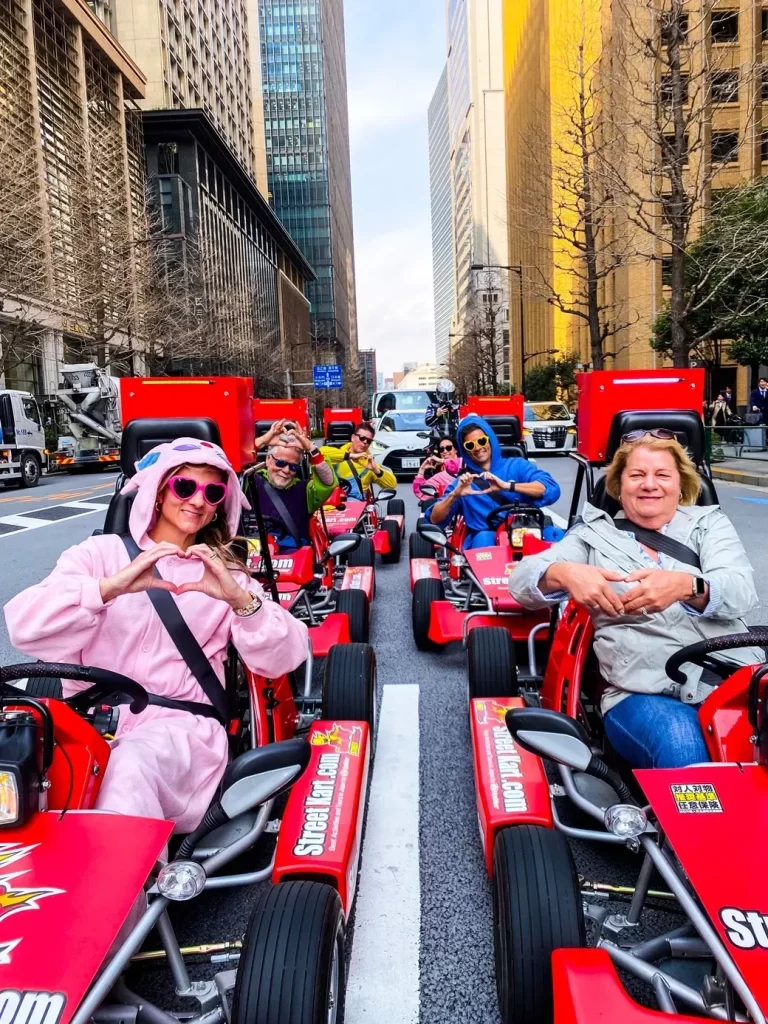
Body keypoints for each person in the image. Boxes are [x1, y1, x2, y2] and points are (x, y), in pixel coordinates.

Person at [3, 437, 309, 831]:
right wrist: (107, 589)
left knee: (129, 767)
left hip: (180, 730)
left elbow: (284, 658)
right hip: (85, 724)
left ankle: (122, 869)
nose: (197, 501)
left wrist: (241, 601)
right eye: (185, 486)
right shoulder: (99, 555)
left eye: (212, 492)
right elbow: (24, 628)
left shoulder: (225, 576)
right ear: (159, 492)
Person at [508, 431, 762, 769]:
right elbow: (520, 582)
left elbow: (741, 590)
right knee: (682, 743)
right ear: (619, 485)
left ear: (681, 485)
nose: (650, 484)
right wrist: (564, 572)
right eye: (637, 475)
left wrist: (688, 586)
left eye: (662, 475)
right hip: (644, 693)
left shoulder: (708, 524)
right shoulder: (592, 536)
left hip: (734, 677)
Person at [426, 414, 561, 548]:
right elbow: (434, 519)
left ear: (490, 440)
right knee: (484, 539)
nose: (477, 448)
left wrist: (507, 486)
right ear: (465, 450)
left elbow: (550, 488)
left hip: (525, 530)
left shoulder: (518, 466)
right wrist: (454, 495)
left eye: (481, 441)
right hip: (485, 540)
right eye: (470, 445)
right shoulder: (463, 483)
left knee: (556, 536)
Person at [252, 419, 335, 550]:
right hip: (252, 553)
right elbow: (227, 465)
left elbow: (328, 482)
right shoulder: (250, 481)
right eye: (280, 463)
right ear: (268, 459)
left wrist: (311, 448)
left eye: (293, 467)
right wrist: (262, 441)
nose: (286, 470)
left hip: (296, 557)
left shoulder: (305, 490)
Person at [321, 421, 397, 499]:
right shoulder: (336, 455)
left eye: (368, 441)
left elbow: (391, 485)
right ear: (353, 438)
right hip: (331, 502)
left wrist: (376, 470)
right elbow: (319, 452)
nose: (365, 442)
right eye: (362, 438)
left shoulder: (369, 464)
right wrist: (350, 456)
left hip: (357, 504)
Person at [412, 436, 462, 501]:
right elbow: (420, 492)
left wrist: (442, 461)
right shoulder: (440, 477)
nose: (445, 451)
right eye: (441, 449)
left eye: (448, 448)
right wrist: (421, 470)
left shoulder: (466, 464)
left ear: (456, 450)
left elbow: (458, 465)